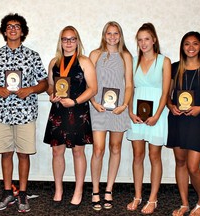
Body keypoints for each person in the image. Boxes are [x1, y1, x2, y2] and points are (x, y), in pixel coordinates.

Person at [0, 13, 48, 213]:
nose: (12, 29)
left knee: (24, 154)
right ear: (4, 31)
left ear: (23, 31)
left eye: (17, 26)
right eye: (9, 26)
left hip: (25, 113)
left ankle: (23, 193)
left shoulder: (32, 56)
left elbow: (44, 83)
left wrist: (30, 89)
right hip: (2, 113)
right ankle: (7, 191)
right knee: (6, 153)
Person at [43, 25, 97, 210]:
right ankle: (58, 190)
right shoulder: (54, 63)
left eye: (72, 39)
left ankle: (78, 191)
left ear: (77, 41)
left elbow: (93, 88)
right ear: (61, 42)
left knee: (77, 152)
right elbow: (50, 86)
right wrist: (51, 95)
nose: (68, 42)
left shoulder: (84, 61)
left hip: (77, 111)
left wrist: (74, 101)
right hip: (58, 112)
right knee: (57, 151)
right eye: (65, 39)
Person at [126, 23, 171, 214]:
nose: (143, 43)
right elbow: (129, 88)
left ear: (154, 40)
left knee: (154, 156)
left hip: (157, 116)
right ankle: (137, 196)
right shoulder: (133, 60)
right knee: (137, 155)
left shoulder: (164, 61)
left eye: (146, 39)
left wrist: (157, 115)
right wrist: (129, 111)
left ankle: (153, 199)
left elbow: (165, 92)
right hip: (136, 114)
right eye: (140, 39)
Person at [89, 21, 133, 211]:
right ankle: (95, 190)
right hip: (98, 107)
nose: (112, 37)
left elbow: (129, 84)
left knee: (115, 147)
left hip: (118, 110)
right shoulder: (95, 54)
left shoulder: (126, 56)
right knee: (98, 150)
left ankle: (109, 189)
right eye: (109, 33)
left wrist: (124, 105)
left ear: (120, 35)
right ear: (104, 35)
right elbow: (88, 83)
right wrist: (93, 102)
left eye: (116, 33)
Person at [167, 31, 200, 216]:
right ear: (182, 47)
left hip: (198, 121)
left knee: (193, 166)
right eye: (187, 44)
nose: (191, 47)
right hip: (178, 119)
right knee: (180, 162)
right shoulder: (175, 68)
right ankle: (185, 203)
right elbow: (167, 95)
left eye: (195, 44)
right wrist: (170, 106)